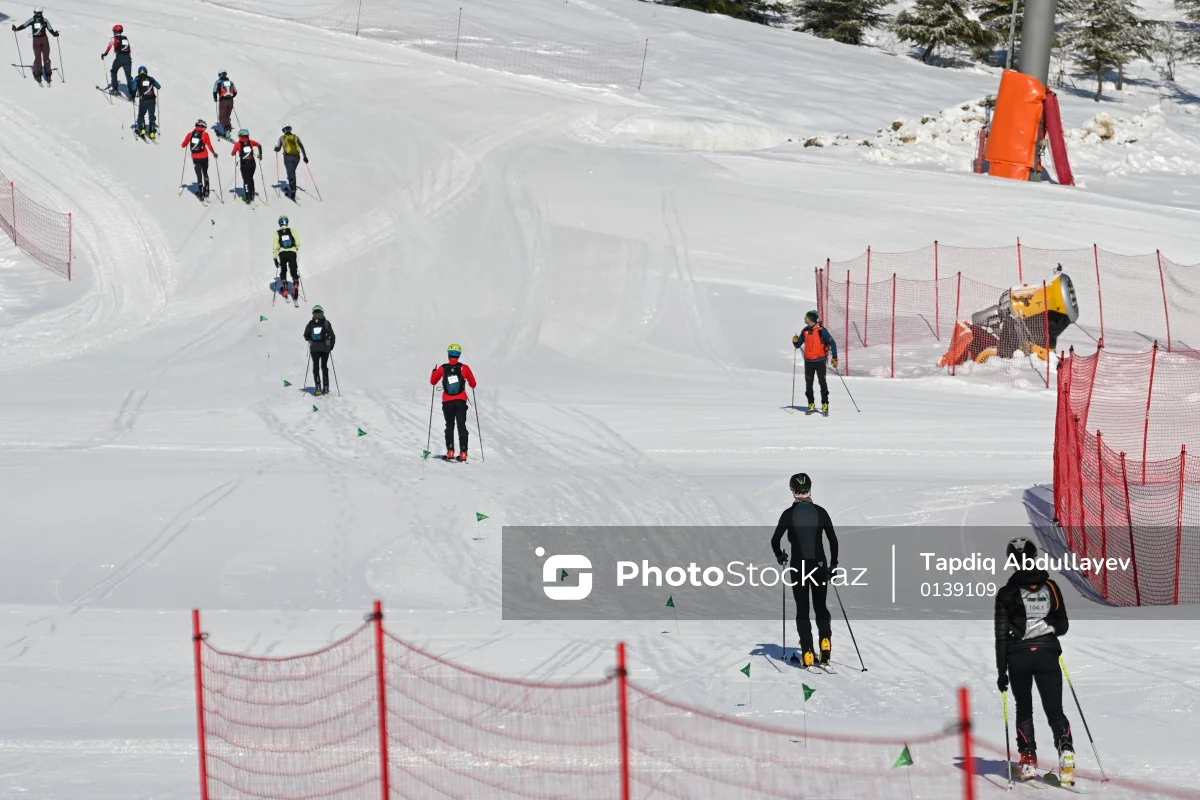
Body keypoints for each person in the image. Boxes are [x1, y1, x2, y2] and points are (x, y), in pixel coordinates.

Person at [995, 537, 1074, 785]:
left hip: (1018, 657)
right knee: (1055, 710)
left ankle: (1028, 760)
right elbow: (1063, 626)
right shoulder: (1051, 587)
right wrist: (1045, 628)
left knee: (1024, 708)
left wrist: (1001, 672)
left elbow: (1000, 636)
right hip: (1048, 654)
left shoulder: (1006, 593)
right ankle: (1066, 752)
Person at [770, 472, 838, 668]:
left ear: (793, 491)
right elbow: (833, 540)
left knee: (802, 608)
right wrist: (833, 565)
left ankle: (807, 651)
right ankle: (825, 642)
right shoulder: (821, 512)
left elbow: (775, 540)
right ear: (810, 488)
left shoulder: (788, 514)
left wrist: (780, 556)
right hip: (819, 565)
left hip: (799, 566)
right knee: (821, 606)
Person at [430, 345, 477, 462]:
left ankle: (450, 451)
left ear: (449, 355)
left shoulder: (442, 368)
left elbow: (433, 382)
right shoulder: (464, 368)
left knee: (449, 425)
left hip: (447, 401)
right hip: (461, 400)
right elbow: (473, 384)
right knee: (462, 426)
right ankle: (464, 453)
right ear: (459, 355)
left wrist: (434, 372)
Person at [792, 310, 838, 415]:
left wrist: (835, 357)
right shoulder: (805, 331)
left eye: (806, 317)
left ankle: (825, 405)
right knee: (808, 384)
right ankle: (811, 405)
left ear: (811, 319)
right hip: (808, 361)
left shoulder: (821, 330)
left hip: (820, 361)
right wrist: (795, 341)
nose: (805, 319)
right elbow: (798, 345)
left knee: (822, 383)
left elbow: (833, 343)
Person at [12, 8, 59, 85]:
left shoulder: (31, 20)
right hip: (44, 40)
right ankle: (48, 73)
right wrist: (55, 34)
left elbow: (24, 26)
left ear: (35, 13)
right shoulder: (45, 20)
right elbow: (51, 30)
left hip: (36, 40)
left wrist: (16, 29)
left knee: (37, 57)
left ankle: (38, 74)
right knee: (46, 57)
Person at [303, 305, 336, 396]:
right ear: (322, 312)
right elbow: (332, 336)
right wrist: (330, 347)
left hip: (314, 348)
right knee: (324, 367)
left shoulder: (311, 323)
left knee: (316, 367)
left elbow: (305, 335)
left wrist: (310, 340)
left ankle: (318, 386)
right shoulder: (326, 323)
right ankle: (326, 387)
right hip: (325, 348)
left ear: (313, 312)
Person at [181, 120, 218, 200]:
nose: (205, 129)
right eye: (204, 127)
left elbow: (183, 145)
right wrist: (214, 153)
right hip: (205, 157)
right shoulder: (205, 134)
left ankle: (200, 193)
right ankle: (207, 190)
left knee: (199, 175)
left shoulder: (190, 134)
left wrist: (187, 142)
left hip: (195, 158)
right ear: (202, 126)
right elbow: (209, 145)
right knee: (205, 172)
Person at [273, 126, 310, 199]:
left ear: (284, 130)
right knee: (292, 171)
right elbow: (301, 146)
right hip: (297, 157)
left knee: (291, 173)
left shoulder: (282, 138)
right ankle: (291, 183)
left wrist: (275, 149)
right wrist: (304, 156)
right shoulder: (296, 137)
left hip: (288, 157)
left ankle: (293, 190)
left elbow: (278, 148)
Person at [273, 216, 301, 301]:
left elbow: (274, 246)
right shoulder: (292, 231)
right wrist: (295, 249)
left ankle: (284, 286)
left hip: (282, 253)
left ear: (280, 223)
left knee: (283, 269)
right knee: (293, 269)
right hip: (292, 252)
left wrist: (275, 258)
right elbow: (298, 242)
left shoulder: (277, 233)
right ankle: (295, 283)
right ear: (287, 222)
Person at [232, 129, 263, 203]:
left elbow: (233, 153)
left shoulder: (238, 144)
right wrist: (260, 155)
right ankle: (252, 195)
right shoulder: (251, 142)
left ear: (241, 135)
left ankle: (247, 197)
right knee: (251, 178)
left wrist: (236, 151)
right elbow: (259, 145)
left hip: (244, 164)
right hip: (252, 163)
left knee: (246, 180)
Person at [101, 24, 132, 97]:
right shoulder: (125, 38)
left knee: (113, 71)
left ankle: (115, 89)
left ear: (115, 31)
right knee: (128, 77)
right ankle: (132, 94)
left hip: (119, 58)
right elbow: (129, 50)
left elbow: (109, 47)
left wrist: (104, 54)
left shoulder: (114, 38)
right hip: (128, 58)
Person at [133, 66, 161, 139]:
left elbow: (133, 88)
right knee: (151, 115)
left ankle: (142, 130)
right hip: (152, 100)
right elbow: (158, 86)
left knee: (141, 115)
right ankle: (152, 132)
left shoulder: (137, 79)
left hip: (143, 100)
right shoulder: (150, 78)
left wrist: (133, 95)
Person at [212, 71, 237, 138]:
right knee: (227, 115)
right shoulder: (231, 82)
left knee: (222, 116)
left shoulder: (218, 82)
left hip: (223, 100)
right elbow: (235, 92)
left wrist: (215, 98)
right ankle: (228, 128)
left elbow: (214, 91)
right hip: (231, 101)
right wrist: (230, 97)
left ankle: (224, 131)